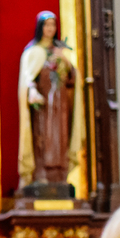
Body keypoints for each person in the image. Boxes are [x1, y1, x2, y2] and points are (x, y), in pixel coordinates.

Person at [17, 11, 83, 189]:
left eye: (53, 25)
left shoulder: (60, 51)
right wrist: (32, 91)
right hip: (42, 106)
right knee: (43, 139)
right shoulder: (33, 52)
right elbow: (27, 79)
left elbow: (72, 79)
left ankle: (60, 175)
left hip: (60, 105)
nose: (50, 29)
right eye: (47, 25)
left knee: (59, 138)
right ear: (40, 28)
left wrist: (65, 62)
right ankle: (41, 174)